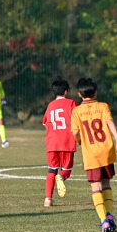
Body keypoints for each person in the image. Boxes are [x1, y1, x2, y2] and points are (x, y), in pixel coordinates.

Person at [71, 78, 117, 232]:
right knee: (106, 184)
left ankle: (104, 221)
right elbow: (110, 123)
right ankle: (110, 215)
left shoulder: (76, 111)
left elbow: (75, 132)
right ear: (95, 92)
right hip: (106, 150)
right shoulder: (103, 106)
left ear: (79, 95)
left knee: (96, 187)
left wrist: (81, 141)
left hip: (91, 153)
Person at [42, 77, 77, 207]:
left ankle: (47, 199)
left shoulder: (50, 105)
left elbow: (45, 122)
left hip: (52, 142)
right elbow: (77, 119)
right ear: (66, 91)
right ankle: (61, 177)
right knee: (66, 170)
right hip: (67, 141)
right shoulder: (71, 103)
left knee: (52, 169)